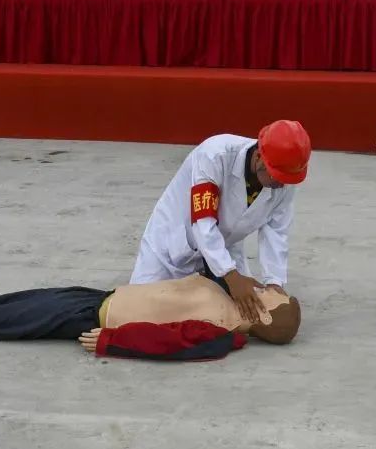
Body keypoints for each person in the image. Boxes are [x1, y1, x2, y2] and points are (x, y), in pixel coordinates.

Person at [130, 120, 310, 324]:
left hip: (226, 248)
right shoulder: (214, 155)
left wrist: (274, 282)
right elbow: (203, 222)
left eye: (286, 179)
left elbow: (277, 232)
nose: (281, 185)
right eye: (276, 177)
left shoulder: (284, 179)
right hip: (173, 241)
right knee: (140, 313)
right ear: (259, 157)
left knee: (235, 316)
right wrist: (230, 275)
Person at [0, 267, 301, 350]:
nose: (269, 288)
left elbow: (168, 342)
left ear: (264, 316)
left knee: (10, 319)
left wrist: (112, 341)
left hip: (94, 318)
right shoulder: (231, 294)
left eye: (273, 296)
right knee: (22, 300)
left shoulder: (222, 331)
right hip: (103, 297)